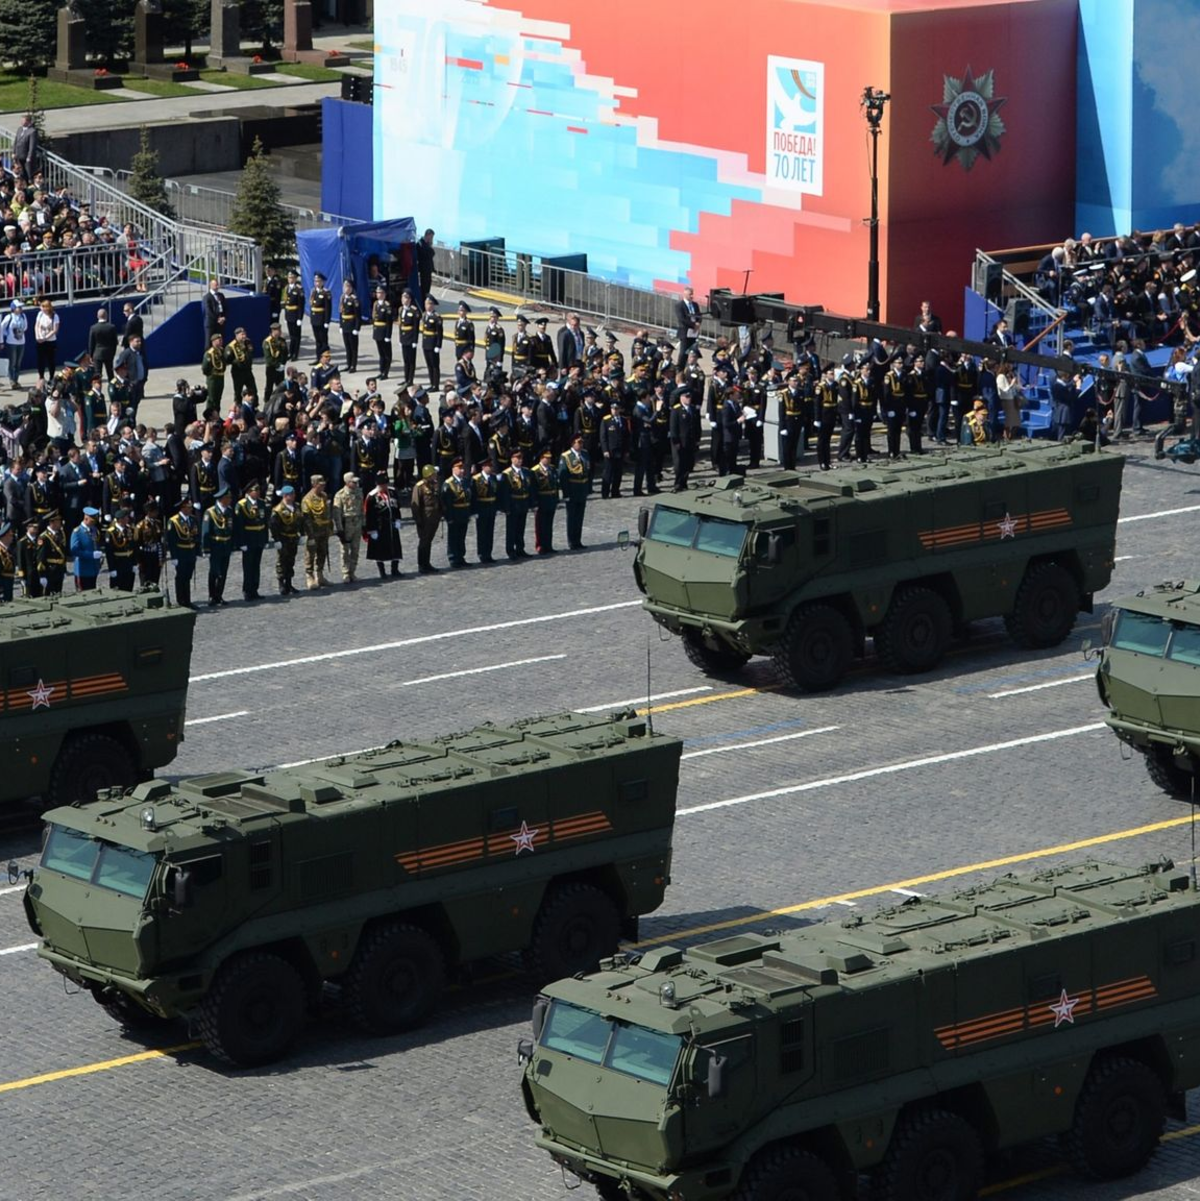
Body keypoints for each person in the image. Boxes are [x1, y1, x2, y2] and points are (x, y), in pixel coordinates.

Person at [361, 471, 402, 579]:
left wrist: (398, 519)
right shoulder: (372, 496)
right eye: (382, 484)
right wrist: (371, 530)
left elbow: (397, 507)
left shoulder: (392, 492)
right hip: (379, 525)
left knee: (395, 546)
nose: (385, 486)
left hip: (392, 524)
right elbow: (368, 514)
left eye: (386, 484)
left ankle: (395, 569)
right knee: (379, 549)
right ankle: (382, 571)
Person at [234, 481, 268, 600]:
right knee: (248, 566)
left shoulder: (262, 503)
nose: (258, 492)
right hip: (248, 539)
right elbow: (239, 526)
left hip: (259, 538)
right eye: (255, 490)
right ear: (249, 492)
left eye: (259, 490)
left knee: (256, 565)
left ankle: (255, 589)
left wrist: (265, 539)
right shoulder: (242, 505)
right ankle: (247, 590)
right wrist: (241, 543)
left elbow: (265, 523)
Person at [201, 484, 235, 606]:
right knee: (215, 571)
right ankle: (212, 595)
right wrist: (206, 549)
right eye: (228, 498)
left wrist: (233, 546)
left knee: (224, 572)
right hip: (215, 545)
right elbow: (205, 532)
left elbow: (232, 530)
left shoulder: (229, 511)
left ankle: (219, 595)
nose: (230, 500)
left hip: (226, 545)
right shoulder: (210, 512)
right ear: (222, 499)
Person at [268, 484, 303, 595]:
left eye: (293, 494)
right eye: (290, 495)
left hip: (293, 538)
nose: (293, 496)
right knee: (282, 561)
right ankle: (281, 583)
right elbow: (273, 526)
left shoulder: (296, 506)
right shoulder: (278, 510)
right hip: (283, 538)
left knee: (291, 561)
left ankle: (289, 583)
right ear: (285, 496)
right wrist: (276, 540)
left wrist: (302, 535)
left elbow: (301, 521)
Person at [301, 474, 334, 589]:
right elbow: (306, 519)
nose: (323, 487)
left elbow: (328, 513)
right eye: (320, 485)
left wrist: (330, 527)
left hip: (324, 530)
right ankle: (310, 577)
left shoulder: (324, 496)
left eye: (324, 484)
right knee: (310, 554)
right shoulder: (307, 499)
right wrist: (310, 536)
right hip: (313, 531)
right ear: (314, 485)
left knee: (322, 552)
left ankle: (319, 575)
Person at [499, 446, 532, 559]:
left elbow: (529, 488)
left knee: (521, 527)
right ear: (512, 459)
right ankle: (510, 550)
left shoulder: (526, 472)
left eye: (521, 457)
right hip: (513, 504)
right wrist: (506, 507)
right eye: (517, 457)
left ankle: (520, 548)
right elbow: (505, 493)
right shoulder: (507, 474)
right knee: (511, 529)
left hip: (523, 502)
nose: (520, 460)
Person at [558, 433, 590, 550]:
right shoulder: (566, 456)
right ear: (572, 443)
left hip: (582, 489)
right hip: (572, 489)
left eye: (582, 442)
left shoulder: (585, 454)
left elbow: (589, 472)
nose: (581, 444)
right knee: (572, 517)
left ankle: (578, 540)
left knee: (580, 517)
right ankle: (572, 541)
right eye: (579, 442)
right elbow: (563, 476)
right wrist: (566, 493)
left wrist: (588, 489)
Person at [409, 463, 442, 574]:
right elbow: (415, 504)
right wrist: (418, 520)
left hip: (434, 517)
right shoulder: (419, 486)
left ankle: (427, 563)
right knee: (424, 541)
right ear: (428, 475)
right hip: (425, 518)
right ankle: (422, 564)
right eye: (433, 474)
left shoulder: (435, 484)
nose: (435, 476)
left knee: (429, 541)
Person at [165, 501, 199, 607]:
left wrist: (197, 552)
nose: (190, 509)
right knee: (181, 577)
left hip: (191, 552)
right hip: (180, 552)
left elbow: (196, 536)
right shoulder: (173, 521)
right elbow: (171, 541)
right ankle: (181, 600)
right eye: (188, 507)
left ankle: (187, 600)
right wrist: (174, 556)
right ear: (182, 508)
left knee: (188, 577)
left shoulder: (193, 519)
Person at [441, 457, 473, 568]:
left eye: (463, 468)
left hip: (464, 513)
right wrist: (448, 517)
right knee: (453, 537)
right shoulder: (448, 484)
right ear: (453, 469)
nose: (462, 470)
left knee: (461, 537)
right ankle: (453, 558)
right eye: (459, 468)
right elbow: (447, 503)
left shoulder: (465, 482)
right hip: (454, 514)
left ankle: (461, 556)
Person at [668, 386, 701, 491]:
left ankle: (684, 482)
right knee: (679, 464)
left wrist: (697, 439)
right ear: (681, 397)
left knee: (688, 464)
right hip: (680, 442)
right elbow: (673, 427)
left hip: (690, 441)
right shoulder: (676, 410)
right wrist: (676, 441)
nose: (688, 398)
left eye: (689, 396)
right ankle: (678, 484)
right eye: (686, 396)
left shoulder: (692, 409)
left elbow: (696, 425)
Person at [598, 400, 629, 500]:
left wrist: (627, 450)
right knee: (608, 472)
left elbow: (627, 436)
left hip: (620, 450)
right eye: (612, 409)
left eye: (616, 409)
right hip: (610, 450)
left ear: (619, 409)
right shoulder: (606, 420)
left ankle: (615, 491)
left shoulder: (623, 420)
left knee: (618, 472)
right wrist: (605, 450)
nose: (614, 411)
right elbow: (603, 437)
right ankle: (605, 493)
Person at [69, 506, 104, 592]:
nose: (93, 523)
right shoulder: (77, 532)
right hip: (83, 571)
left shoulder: (94, 530)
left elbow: (96, 544)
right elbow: (75, 551)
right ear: (86, 518)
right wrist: (91, 555)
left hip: (93, 569)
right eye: (92, 521)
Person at [531, 446, 559, 554]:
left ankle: (548, 544)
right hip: (541, 500)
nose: (549, 460)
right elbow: (533, 489)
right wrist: (534, 503)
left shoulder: (552, 469)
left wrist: (556, 499)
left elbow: (555, 485)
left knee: (549, 524)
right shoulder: (535, 471)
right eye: (547, 458)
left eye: (550, 458)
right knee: (540, 525)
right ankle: (540, 545)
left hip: (550, 499)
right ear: (541, 458)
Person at [472, 457, 500, 563]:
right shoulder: (476, 479)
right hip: (482, 507)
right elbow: (474, 496)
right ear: (483, 467)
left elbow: (497, 493)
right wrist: (474, 511)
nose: (491, 467)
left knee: (490, 531)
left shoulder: (493, 478)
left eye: (491, 466)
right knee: (482, 532)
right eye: (489, 466)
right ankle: (482, 554)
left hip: (491, 507)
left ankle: (488, 553)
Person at [105, 508, 138, 592]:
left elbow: (134, 547)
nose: (128, 519)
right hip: (118, 563)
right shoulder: (111, 532)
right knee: (117, 589)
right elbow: (109, 552)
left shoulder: (130, 530)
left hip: (129, 562)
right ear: (120, 519)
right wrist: (111, 568)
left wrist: (134, 563)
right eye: (126, 517)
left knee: (128, 587)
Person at [36, 510, 67, 595]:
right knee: (48, 594)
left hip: (59, 569)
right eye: (58, 521)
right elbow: (40, 558)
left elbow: (63, 553)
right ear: (51, 523)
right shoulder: (43, 537)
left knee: (58, 592)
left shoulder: (61, 534)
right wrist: (42, 575)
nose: (60, 523)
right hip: (49, 569)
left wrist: (64, 569)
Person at [134, 500, 164, 588]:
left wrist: (162, 555)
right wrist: (139, 561)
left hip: (155, 554)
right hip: (145, 555)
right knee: (145, 581)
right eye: (155, 511)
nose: (157, 513)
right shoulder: (140, 526)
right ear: (149, 512)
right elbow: (136, 543)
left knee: (155, 579)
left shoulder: (158, 523)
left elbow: (160, 540)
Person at [1, 299, 27, 390]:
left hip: (21, 342)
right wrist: (2, 340)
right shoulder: (9, 317)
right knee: (12, 363)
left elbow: (25, 327)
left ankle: (16, 380)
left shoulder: (23, 316)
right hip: (11, 343)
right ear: (13, 308)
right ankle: (12, 380)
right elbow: (1, 328)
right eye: (18, 307)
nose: (20, 309)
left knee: (18, 363)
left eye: (21, 307)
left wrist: (19, 332)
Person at [87, 307, 118, 381]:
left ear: (97, 316)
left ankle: (97, 390)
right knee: (110, 373)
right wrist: (113, 352)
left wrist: (90, 355)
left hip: (97, 353)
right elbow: (115, 342)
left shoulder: (93, 328)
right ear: (106, 316)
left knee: (97, 374)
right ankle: (113, 389)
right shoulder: (111, 327)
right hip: (109, 353)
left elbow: (91, 343)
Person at [397, 289, 419, 385]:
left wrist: (415, 340)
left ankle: (410, 379)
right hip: (404, 338)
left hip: (411, 338)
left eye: (405, 297)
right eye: (402, 297)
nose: (403, 299)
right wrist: (400, 339)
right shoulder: (401, 310)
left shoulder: (414, 311)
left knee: (411, 360)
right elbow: (401, 326)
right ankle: (406, 379)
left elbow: (416, 328)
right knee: (406, 360)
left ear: (410, 299)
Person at [675, 286, 702, 367]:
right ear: (685, 294)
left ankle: (690, 366)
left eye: (692, 294)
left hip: (694, 332)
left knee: (692, 350)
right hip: (685, 331)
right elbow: (682, 319)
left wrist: (698, 323)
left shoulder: (695, 304)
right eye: (690, 294)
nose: (691, 296)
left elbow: (699, 315)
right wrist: (693, 325)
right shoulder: (679, 305)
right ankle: (680, 367)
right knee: (683, 352)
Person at [420, 295, 443, 389]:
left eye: (429, 304)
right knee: (429, 365)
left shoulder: (436, 317)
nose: (427, 306)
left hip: (433, 343)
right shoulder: (424, 315)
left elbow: (440, 333)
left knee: (434, 365)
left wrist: (438, 345)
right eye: (426, 304)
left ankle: (436, 385)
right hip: (426, 343)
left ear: (433, 305)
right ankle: (431, 383)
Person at [34, 297, 59, 383]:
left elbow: (55, 330)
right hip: (40, 341)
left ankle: (51, 377)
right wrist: (38, 336)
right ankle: (41, 376)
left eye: (43, 307)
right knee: (40, 360)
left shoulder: (54, 316)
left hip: (50, 341)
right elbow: (36, 326)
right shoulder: (40, 314)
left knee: (50, 360)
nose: (42, 309)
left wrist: (45, 338)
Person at [308, 272, 332, 362]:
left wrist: (327, 321)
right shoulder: (313, 292)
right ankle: (318, 358)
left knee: (323, 341)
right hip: (315, 320)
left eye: (318, 281)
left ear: (322, 282)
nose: (316, 283)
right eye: (315, 281)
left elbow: (328, 308)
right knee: (317, 340)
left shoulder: (326, 292)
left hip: (322, 320)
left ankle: (326, 358)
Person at [339, 278, 361, 373]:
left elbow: (358, 315)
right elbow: (341, 312)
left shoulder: (354, 300)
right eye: (344, 286)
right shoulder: (343, 298)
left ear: (351, 288)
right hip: (345, 325)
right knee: (347, 346)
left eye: (348, 286)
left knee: (353, 347)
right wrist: (340, 325)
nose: (346, 289)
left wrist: (357, 328)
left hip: (352, 325)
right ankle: (348, 364)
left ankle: (353, 365)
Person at [201, 333, 228, 409]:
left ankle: (217, 415)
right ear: (213, 341)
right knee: (212, 398)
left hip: (220, 377)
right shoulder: (209, 353)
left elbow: (224, 363)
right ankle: (210, 416)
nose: (221, 341)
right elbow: (205, 368)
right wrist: (210, 375)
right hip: (213, 378)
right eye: (219, 340)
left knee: (218, 398)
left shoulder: (221, 351)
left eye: (221, 340)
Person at [283, 270, 305, 360]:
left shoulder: (299, 289)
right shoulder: (287, 288)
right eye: (289, 277)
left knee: (296, 336)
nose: (290, 279)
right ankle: (290, 353)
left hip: (295, 315)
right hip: (289, 314)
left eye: (292, 277)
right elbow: (286, 303)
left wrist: (300, 318)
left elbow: (301, 305)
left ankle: (295, 354)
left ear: (295, 278)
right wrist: (285, 316)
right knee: (291, 335)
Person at [203, 277, 227, 348]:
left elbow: (225, 308)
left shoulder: (221, 295)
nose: (217, 286)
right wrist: (217, 319)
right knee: (208, 343)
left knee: (220, 341)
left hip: (220, 323)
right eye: (215, 285)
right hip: (211, 324)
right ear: (211, 286)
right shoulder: (207, 297)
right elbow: (208, 311)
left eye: (217, 285)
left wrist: (223, 317)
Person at [417, 227, 435, 300]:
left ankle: (426, 298)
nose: (432, 239)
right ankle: (423, 299)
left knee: (428, 285)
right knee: (424, 286)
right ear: (427, 235)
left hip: (428, 269)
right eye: (431, 237)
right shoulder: (420, 244)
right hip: (423, 269)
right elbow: (429, 254)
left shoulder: (427, 244)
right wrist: (430, 247)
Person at [0, 521, 15, 602]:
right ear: (5, 536)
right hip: (2, 584)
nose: (12, 537)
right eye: (10, 535)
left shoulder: (7, 549)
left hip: (8, 583)